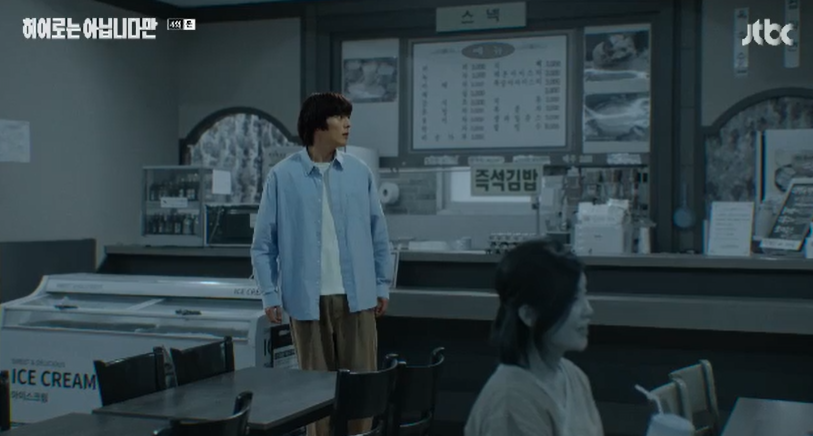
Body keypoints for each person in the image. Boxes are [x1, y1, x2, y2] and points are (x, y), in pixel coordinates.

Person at [250, 92, 393, 436]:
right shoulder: (282, 177)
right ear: (318, 125)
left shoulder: (359, 173)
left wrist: (381, 284)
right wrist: (269, 294)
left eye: (348, 117)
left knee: (362, 394)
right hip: (305, 303)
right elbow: (263, 245)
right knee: (314, 400)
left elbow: (379, 235)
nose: (348, 124)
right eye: (340, 117)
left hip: (358, 299)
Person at [465, 239, 603, 436]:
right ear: (529, 314)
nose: (588, 310)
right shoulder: (511, 402)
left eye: (584, 294)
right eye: (573, 299)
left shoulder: (574, 377)